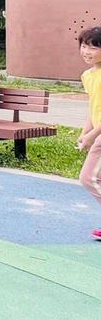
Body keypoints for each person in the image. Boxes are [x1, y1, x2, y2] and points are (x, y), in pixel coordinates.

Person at [74, 27, 101, 241]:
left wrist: (93, 135)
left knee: (88, 178)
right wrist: (85, 133)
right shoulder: (87, 75)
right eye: (84, 46)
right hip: (97, 132)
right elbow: (93, 108)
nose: (86, 51)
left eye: (93, 47)